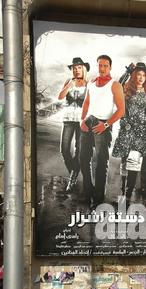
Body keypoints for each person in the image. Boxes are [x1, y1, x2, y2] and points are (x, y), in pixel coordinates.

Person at [80, 55, 125, 208]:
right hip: (88, 122)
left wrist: (105, 125)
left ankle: (98, 196)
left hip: (102, 125)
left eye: (105, 65)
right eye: (100, 65)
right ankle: (88, 191)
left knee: (101, 161)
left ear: (110, 67)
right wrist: (82, 120)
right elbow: (86, 103)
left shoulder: (115, 85)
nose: (102, 68)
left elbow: (121, 110)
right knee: (83, 159)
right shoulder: (91, 83)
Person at [112, 62, 146, 204]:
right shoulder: (126, 89)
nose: (141, 77)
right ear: (134, 75)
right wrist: (128, 71)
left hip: (141, 131)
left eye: (144, 75)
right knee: (124, 162)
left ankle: (127, 195)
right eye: (138, 74)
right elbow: (117, 85)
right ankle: (122, 191)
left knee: (134, 162)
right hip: (126, 129)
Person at [58, 57, 89, 192]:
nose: (77, 70)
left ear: (84, 69)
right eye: (75, 68)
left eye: (79, 68)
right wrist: (69, 86)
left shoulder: (89, 84)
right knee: (64, 149)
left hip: (82, 119)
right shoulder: (68, 81)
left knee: (79, 150)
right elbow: (60, 97)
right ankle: (74, 172)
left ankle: (72, 178)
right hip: (68, 118)